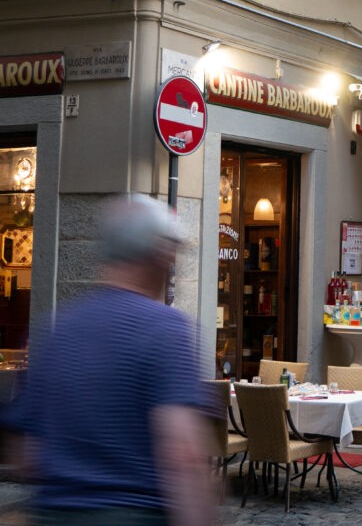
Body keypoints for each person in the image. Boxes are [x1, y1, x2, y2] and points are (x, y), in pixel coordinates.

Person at [2, 194, 214, 526]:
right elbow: (182, 455)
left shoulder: (55, 331)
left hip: (52, 514)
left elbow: (24, 452)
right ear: (159, 255)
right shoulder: (165, 329)